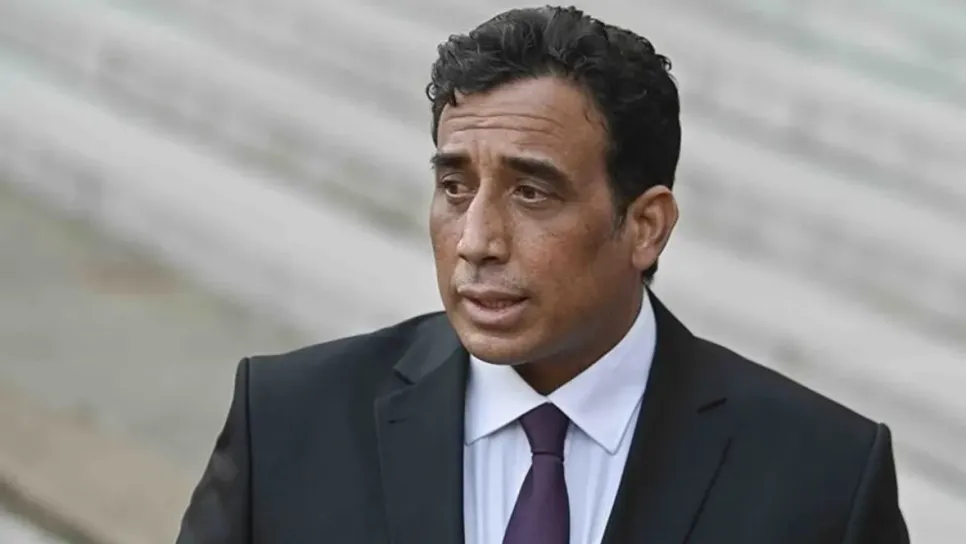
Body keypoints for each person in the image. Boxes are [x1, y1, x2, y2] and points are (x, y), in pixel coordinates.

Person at [176, 6, 909, 544]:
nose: (476, 241)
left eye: (532, 192)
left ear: (645, 226)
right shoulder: (288, 423)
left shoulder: (822, 476)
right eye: (455, 187)